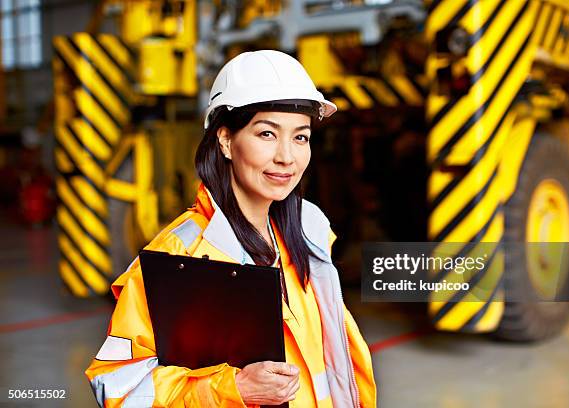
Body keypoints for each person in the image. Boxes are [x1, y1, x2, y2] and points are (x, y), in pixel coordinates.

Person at [85, 50, 376, 407]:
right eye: (267, 133)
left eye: (300, 137)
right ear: (225, 140)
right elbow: (115, 386)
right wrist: (232, 388)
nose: (287, 156)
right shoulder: (178, 256)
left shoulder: (308, 230)